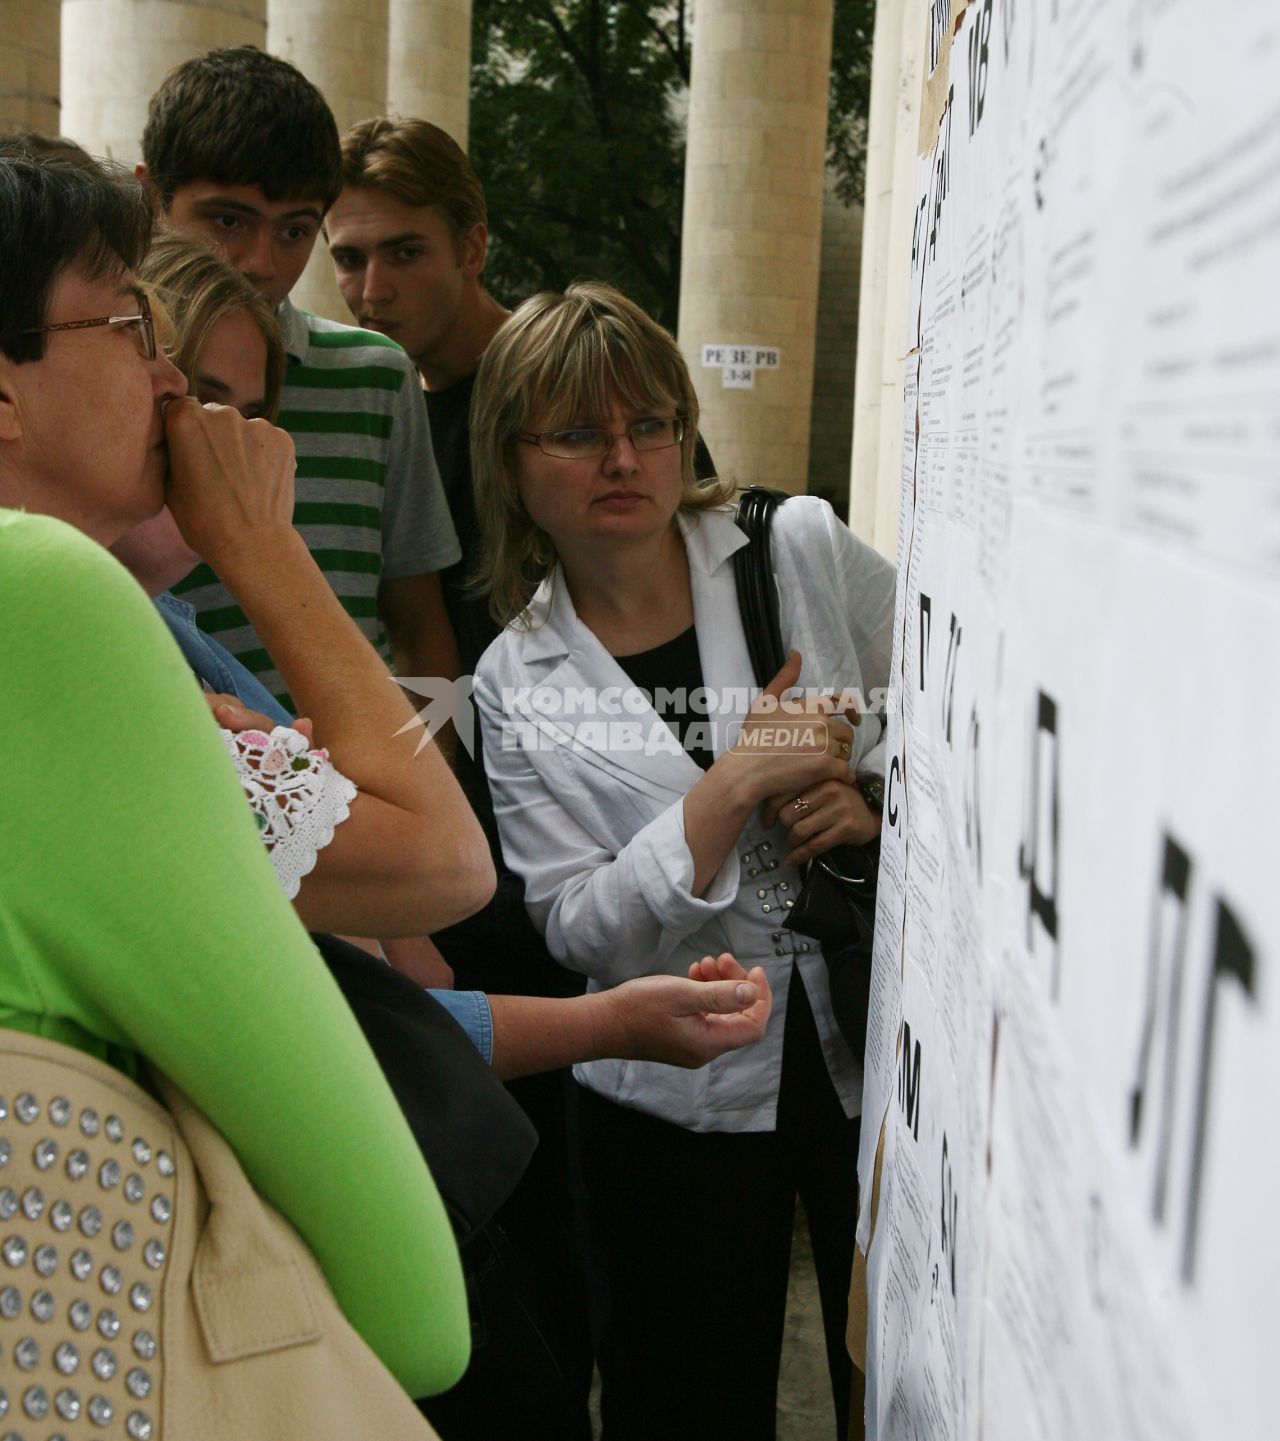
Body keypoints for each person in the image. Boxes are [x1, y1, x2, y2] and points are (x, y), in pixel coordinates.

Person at [0, 143, 467, 1428]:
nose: (166, 386)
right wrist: (263, 546)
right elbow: (421, 1306)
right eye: (128, 327)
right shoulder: (44, 602)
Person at [471, 281, 898, 1441]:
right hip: (669, 1098)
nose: (623, 455)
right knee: (682, 1401)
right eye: (576, 430)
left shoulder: (789, 544)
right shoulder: (516, 678)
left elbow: (950, 710)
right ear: (510, 460)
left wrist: (869, 796)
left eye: (648, 421)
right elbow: (576, 930)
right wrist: (725, 790)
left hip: (865, 1044)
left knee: (906, 1374)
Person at [137, 47, 461, 711]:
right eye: (227, 220)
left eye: (294, 230)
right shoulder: (102, 383)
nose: (259, 261)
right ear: (150, 197)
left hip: (365, 778)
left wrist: (436, 780)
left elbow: (417, 623)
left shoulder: (377, 378)